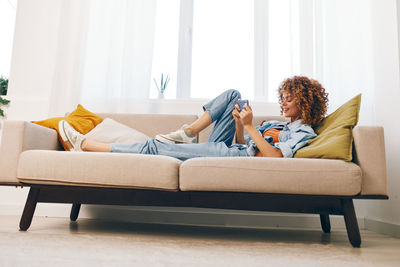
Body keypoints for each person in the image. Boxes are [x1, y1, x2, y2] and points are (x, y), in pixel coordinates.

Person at [59, 76, 328, 161]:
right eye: (281, 97)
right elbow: (241, 140)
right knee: (234, 94)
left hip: (237, 157)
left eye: (288, 98)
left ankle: (85, 146)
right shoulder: (279, 124)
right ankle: (188, 132)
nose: (282, 102)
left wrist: (249, 126)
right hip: (236, 147)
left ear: (305, 102)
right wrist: (239, 122)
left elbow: (275, 158)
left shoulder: (304, 132)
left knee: (157, 147)